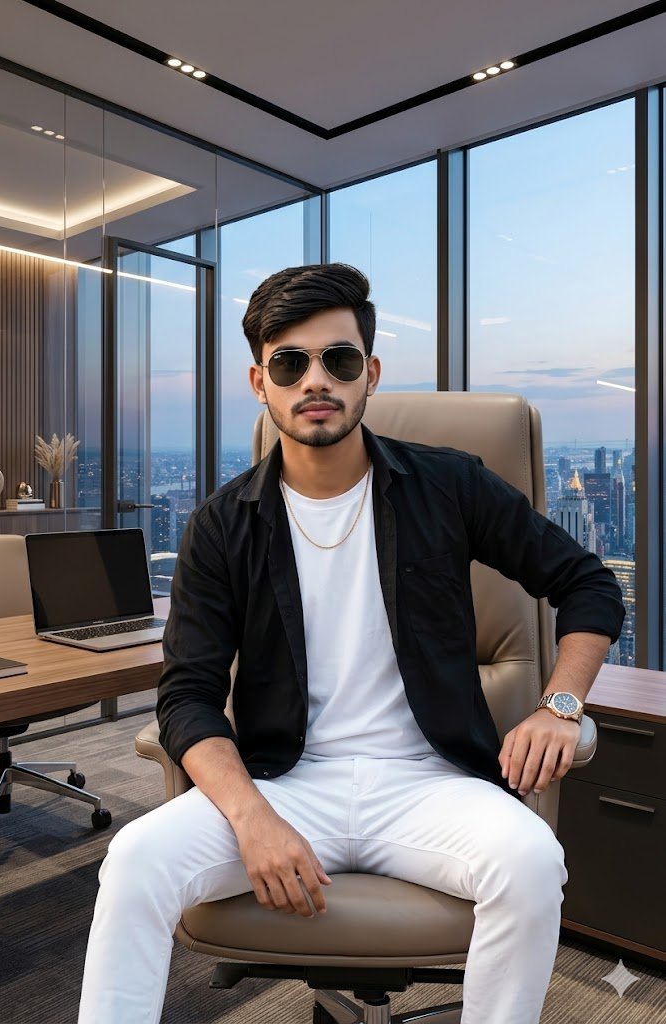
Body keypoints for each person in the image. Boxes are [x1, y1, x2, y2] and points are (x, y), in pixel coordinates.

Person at [79, 263, 625, 1024]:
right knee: (134, 861)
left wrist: (559, 706)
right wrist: (252, 819)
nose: (315, 380)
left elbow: (587, 584)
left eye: (338, 360)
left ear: (367, 373)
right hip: (284, 781)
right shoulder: (222, 525)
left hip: (429, 783)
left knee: (530, 862)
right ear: (259, 381)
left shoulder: (447, 486)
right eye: (289, 362)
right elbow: (188, 699)